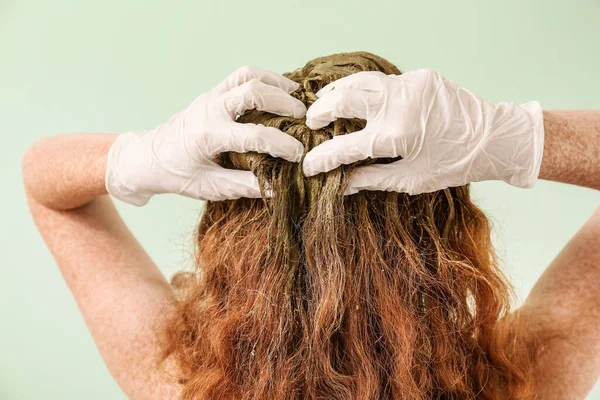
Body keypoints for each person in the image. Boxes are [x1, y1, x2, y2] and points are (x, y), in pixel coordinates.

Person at [22, 52, 600, 400]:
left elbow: (47, 188)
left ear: (233, 241)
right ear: (441, 236)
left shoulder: (178, 385)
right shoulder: (522, 384)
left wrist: (138, 156)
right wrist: (512, 137)